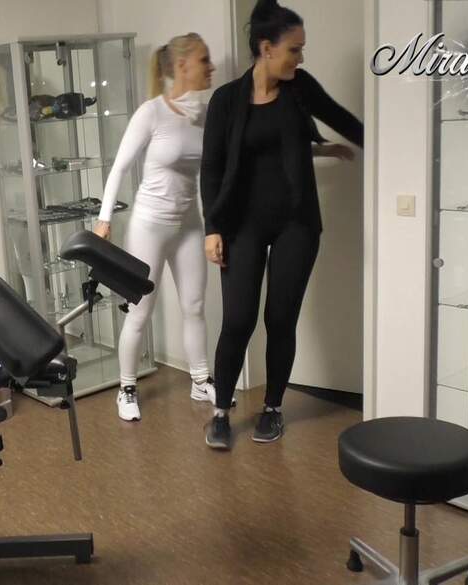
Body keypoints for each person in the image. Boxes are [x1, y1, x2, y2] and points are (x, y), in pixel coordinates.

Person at [200, 0, 363, 448]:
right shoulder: (226, 100)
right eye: (295, 49)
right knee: (238, 320)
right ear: (266, 48)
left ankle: (272, 408)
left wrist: (390, 148)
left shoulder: (299, 88)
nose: (301, 58)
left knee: (280, 318)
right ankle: (220, 412)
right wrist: (212, 227)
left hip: (297, 223)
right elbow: (212, 169)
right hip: (241, 225)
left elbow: (342, 120)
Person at [94, 33, 233, 421]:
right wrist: (104, 220)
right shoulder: (151, 113)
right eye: (204, 60)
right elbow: (120, 167)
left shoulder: (206, 116)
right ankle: (126, 388)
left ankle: (201, 380)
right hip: (149, 226)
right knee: (140, 312)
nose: (211, 67)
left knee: (195, 306)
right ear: (182, 66)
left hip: (189, 224)